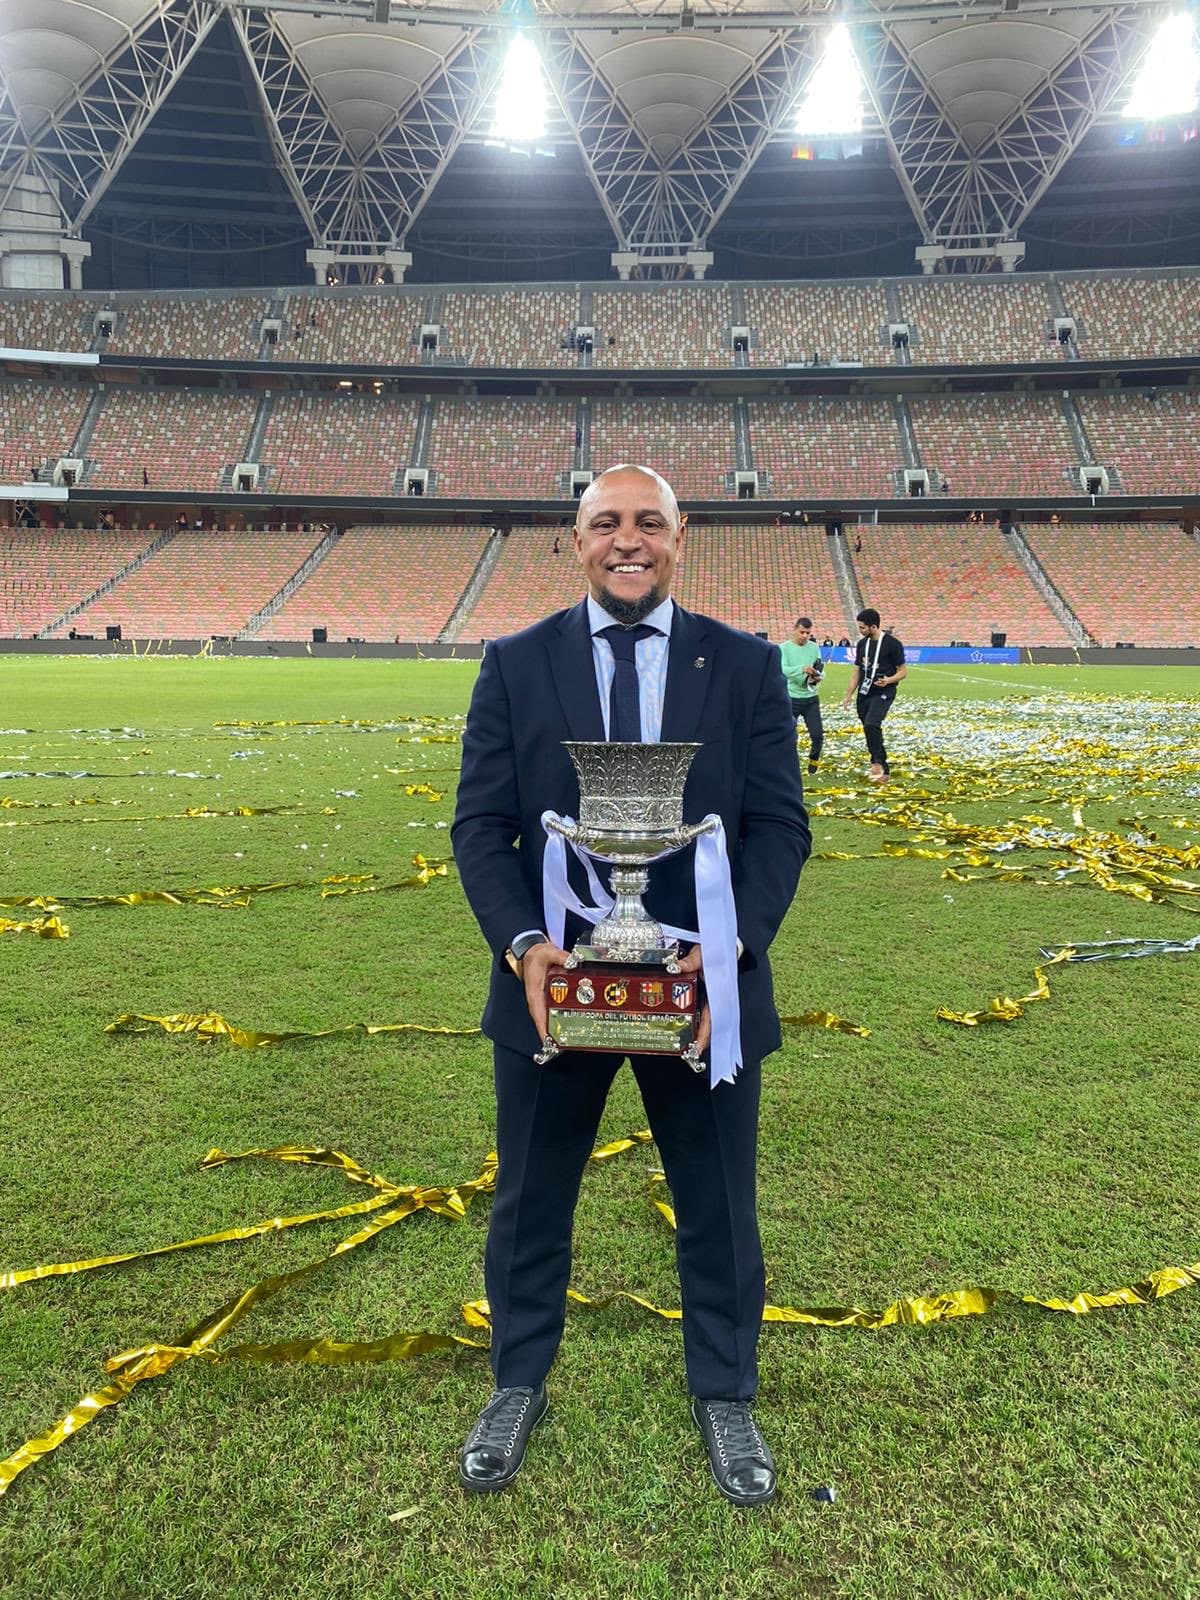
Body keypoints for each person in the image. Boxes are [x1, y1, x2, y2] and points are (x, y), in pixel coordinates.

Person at [452, 464, 810, 1508]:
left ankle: (725, 1392)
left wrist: (729, 948)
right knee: (529, 1201)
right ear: (577, 541)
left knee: (720, 1205)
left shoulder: (744, 665)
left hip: (700, 989)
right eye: (606, 522)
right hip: (554, 990)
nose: (628, 540)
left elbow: (778, 826)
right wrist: (526, 945)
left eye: (649, 521)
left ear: (679, 537)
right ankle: (517, 1383)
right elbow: (481, 825)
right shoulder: (515, 662)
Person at [842, 607, 906, 785]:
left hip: (884, 691)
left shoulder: (892, 644)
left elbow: (903, 672)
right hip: (864, 692)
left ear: (873, 626)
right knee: (869, 728)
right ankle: (877, 760)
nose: (860, 630)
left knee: (872, 724)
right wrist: (848, 695)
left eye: (863, 627)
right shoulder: (862, 644)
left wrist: (888, 680)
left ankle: (880, 765)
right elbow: (856, 672)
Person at [778, 615, 824, 773]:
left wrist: (817, 676)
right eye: (802, 632)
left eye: (808, 633)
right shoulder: (784, 648)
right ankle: (788, 764)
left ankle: (814, 760)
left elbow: (820, 667)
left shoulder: (814, 647)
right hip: (791, 698)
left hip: (811, 698)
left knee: (817, 735)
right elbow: (782, 669)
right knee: (788, 735)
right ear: (794, 630)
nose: (805, 636)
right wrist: (802, 668)